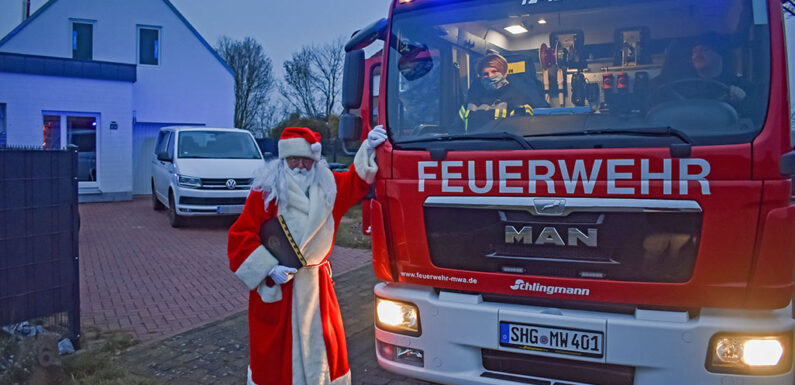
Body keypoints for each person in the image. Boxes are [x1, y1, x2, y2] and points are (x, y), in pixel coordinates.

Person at [228, 125, 387, 385]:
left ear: (315, 161)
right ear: (283, 161)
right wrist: (268, 267)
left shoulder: (328, 189)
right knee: (276, 358)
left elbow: (356, 181)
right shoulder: (265, 194)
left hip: (316, 287)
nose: (300, 165)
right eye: (294, 159)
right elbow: (240, 236)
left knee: (323, 349)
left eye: (306, 160)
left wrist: (367, 148)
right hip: (280, 287)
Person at [651, 34, 751, 111]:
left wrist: (743, 99)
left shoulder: (740, 84)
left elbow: (753, 113)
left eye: (704, 50)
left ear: (720, 54)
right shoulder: (678, 84)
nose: (698, 54)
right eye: (694, 51)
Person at [459, 53, 543, 132]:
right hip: (470, 146)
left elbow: (522, 134)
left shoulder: (519, 101)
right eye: (485, 74)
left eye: (494, 71)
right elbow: (456, 129)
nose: (490, 76)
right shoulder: (471, 101)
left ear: (505, 73)